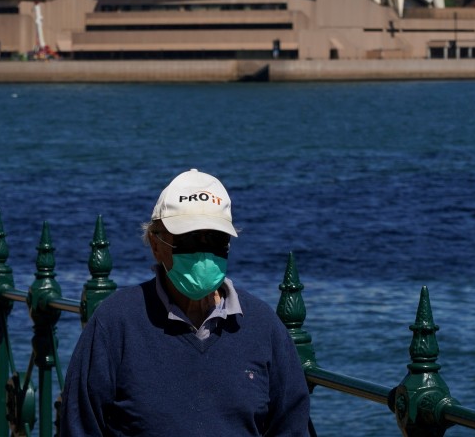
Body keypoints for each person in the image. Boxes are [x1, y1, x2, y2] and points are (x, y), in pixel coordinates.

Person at [60, 169, 310, 436]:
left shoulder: (262, 326)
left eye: (216, 239)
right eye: (189, 239)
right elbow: (79, 426)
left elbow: (291, 426)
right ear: (156, 244)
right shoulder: (115, 323)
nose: (203, 252)